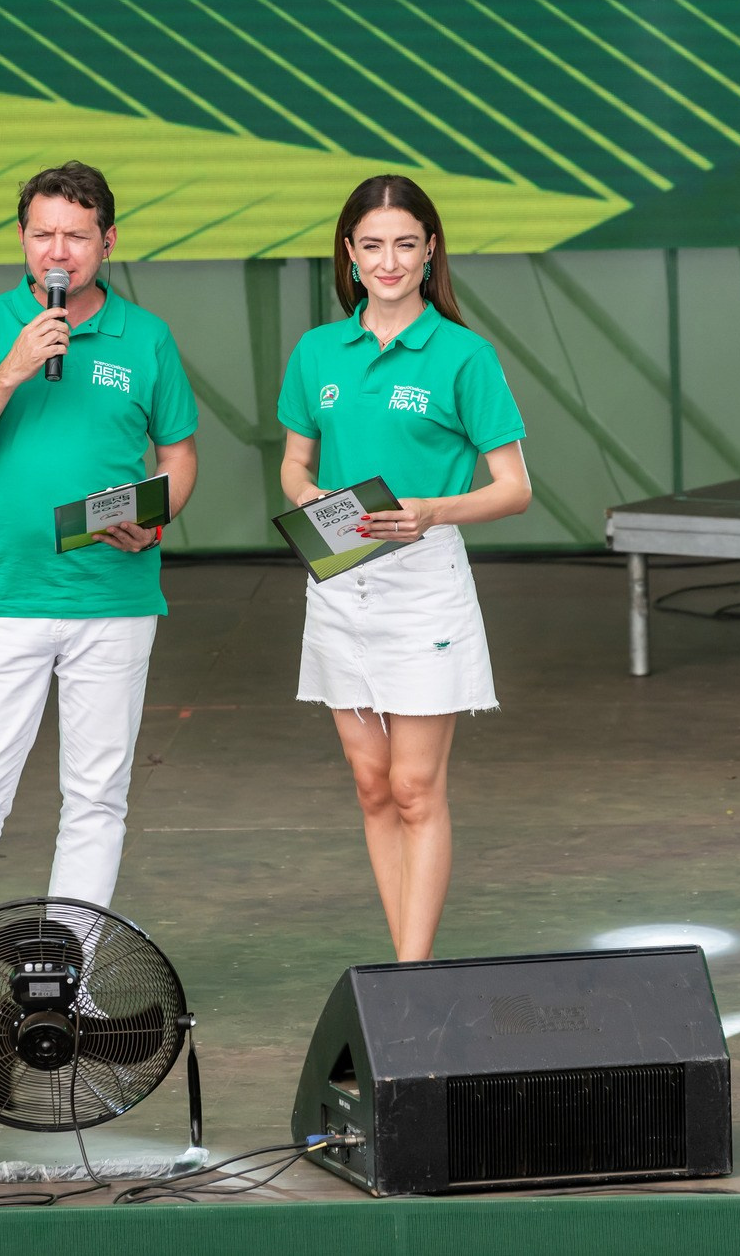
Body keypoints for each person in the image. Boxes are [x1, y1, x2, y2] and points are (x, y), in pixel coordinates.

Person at [0, 162, 198, 1040]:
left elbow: (179, 455)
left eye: (75, 233)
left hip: (116, 597)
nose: (57, 250)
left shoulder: (147, 337)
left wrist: (156, 516)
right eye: (42, 233)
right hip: (6, 596)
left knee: (97, 796)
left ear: (108, 240)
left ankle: (63, 984)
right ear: (23, 240)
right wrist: (12, 367)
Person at [277, 176, 531, 962]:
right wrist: (312, 495)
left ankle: (412, 977)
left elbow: (515, 488)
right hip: (340, 568)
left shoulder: (465, 355)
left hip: (424, 581)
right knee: (371, 783)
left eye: (406, 244)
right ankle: (401, 970)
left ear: (430, 251)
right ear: (350, 255)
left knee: (417, 787)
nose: (389, 261)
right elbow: (293, 464)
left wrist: (430, 510)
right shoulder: (317, 351)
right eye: (372, 245)